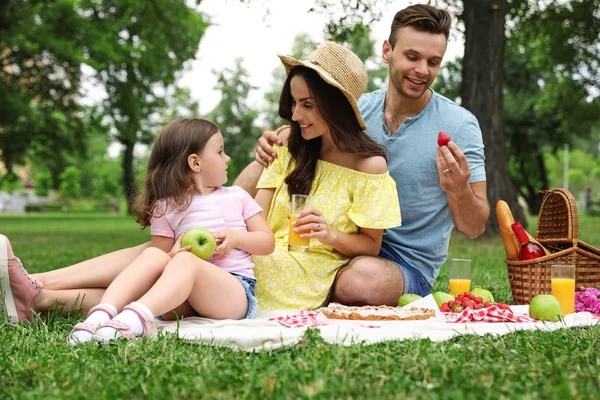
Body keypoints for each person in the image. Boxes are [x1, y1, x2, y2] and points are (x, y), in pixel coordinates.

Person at [238, 4, 489, 305]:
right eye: (412, 57)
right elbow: (310, 124)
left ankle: (293, 288)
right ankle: (220, 224)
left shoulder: (460, 125)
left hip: (400, 263)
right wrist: (277, 140)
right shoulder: (356, 109)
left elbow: (475, 228)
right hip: (331, 247)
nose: (422, 70)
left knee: (359, 281)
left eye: (433, 62)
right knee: (263, 162)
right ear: (387, 51)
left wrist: (459, 189)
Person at [251, 42, 401, 310]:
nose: (296, 115)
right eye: (294, 103)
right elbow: (254, 217)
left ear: (336, 105)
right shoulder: (287, 143)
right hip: (261, 254)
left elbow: (370, 246)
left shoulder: (369, 167)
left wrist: (328, 234)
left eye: (307, 105)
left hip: (310, 273)